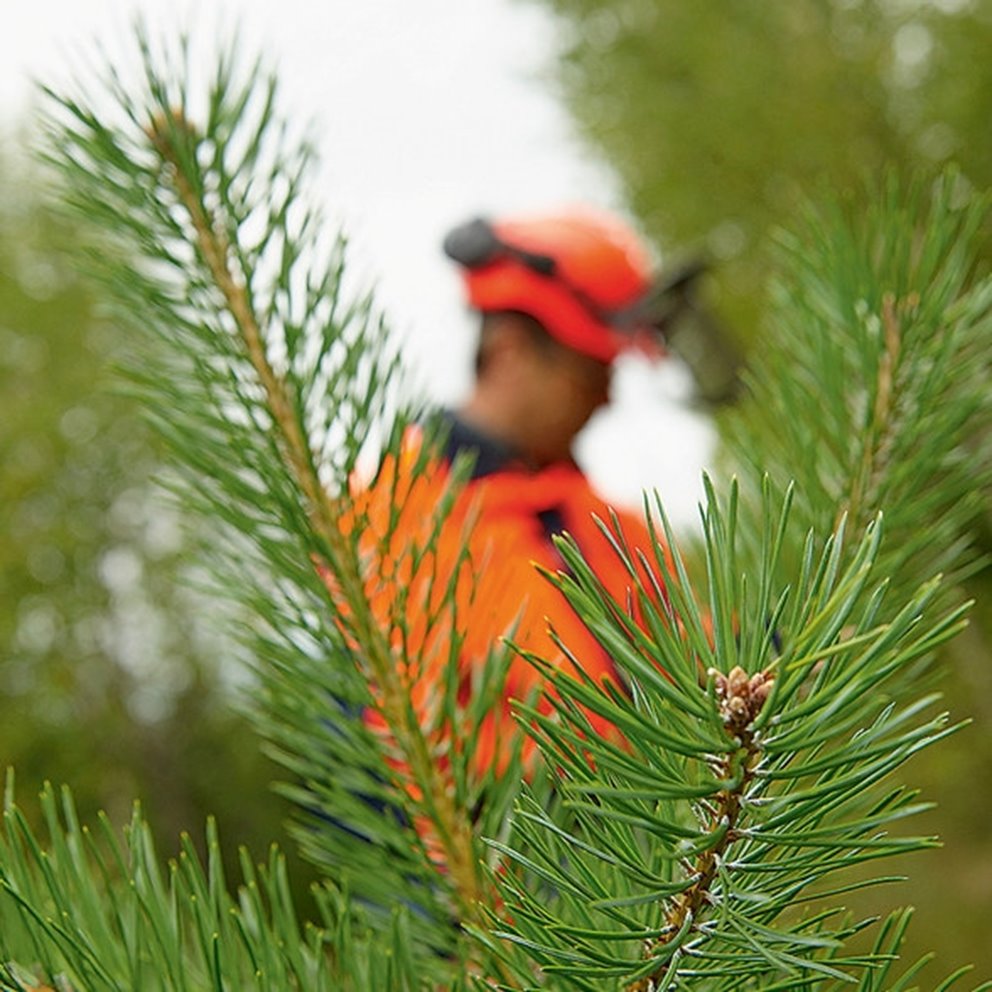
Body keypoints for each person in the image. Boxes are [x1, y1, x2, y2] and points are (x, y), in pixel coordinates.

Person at [346, 206, 671, 780]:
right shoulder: (389, 528)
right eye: (592, 374)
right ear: (511, 351)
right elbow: (377, 776)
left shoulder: (610, 528)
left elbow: (692, 672)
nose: (606, 400)